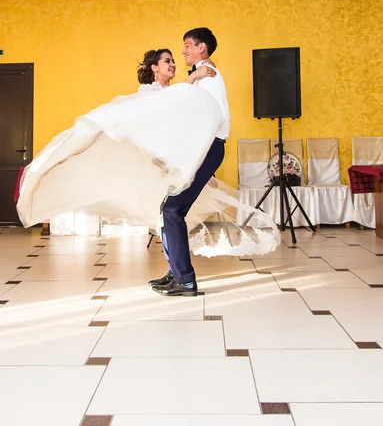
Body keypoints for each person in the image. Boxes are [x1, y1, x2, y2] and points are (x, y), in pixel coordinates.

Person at [17, 40, 280, 271]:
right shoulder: (150, 92)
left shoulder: (178, 91)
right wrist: (193, 78)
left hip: (174, 166)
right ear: (155, 67)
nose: (173, 64)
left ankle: (175, 270)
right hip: (155, 166)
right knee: (167, 216)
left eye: (174, 60)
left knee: (169, 218)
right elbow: (159, 118)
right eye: (167, 61)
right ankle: (176, 271)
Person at [150, 28, 230, 297]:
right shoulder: (202, 74)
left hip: (206, 150)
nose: (183, 51)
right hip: (203, 150)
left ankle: (184, 280)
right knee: (168, 209)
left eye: (187, 45)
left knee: (172, 210)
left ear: (201, 48)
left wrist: (190, 154)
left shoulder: (208, 76)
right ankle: (177, 271)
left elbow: (210, 119)